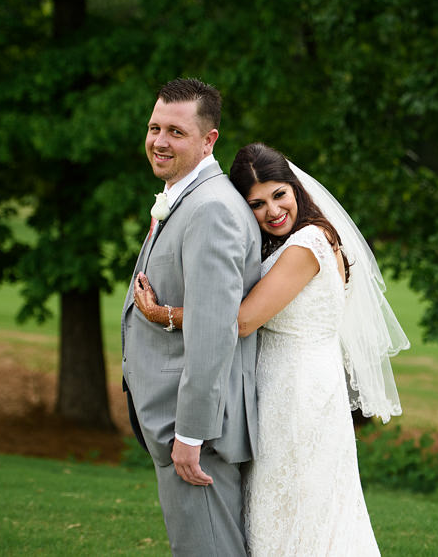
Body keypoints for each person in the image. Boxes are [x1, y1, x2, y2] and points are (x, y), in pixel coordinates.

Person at [135, 142, 410, 555]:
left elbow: (244, 320)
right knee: (282, 511)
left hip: (299, 396)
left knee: (301, 512)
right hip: (283, 389)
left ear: (295, 187)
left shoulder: (309, 244)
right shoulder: (291, 242)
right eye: (257, 203)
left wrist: (164, 315)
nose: (272, 211)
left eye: (279, 194)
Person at [121, 78, 261, 556]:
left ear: (209, 139)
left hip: (196, 431)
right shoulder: (185, 197)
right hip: (179, 423)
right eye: (154, 127)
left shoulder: (211, 210)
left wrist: (190, 433)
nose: (159, 141)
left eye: (176, 132)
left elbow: (213, 329)